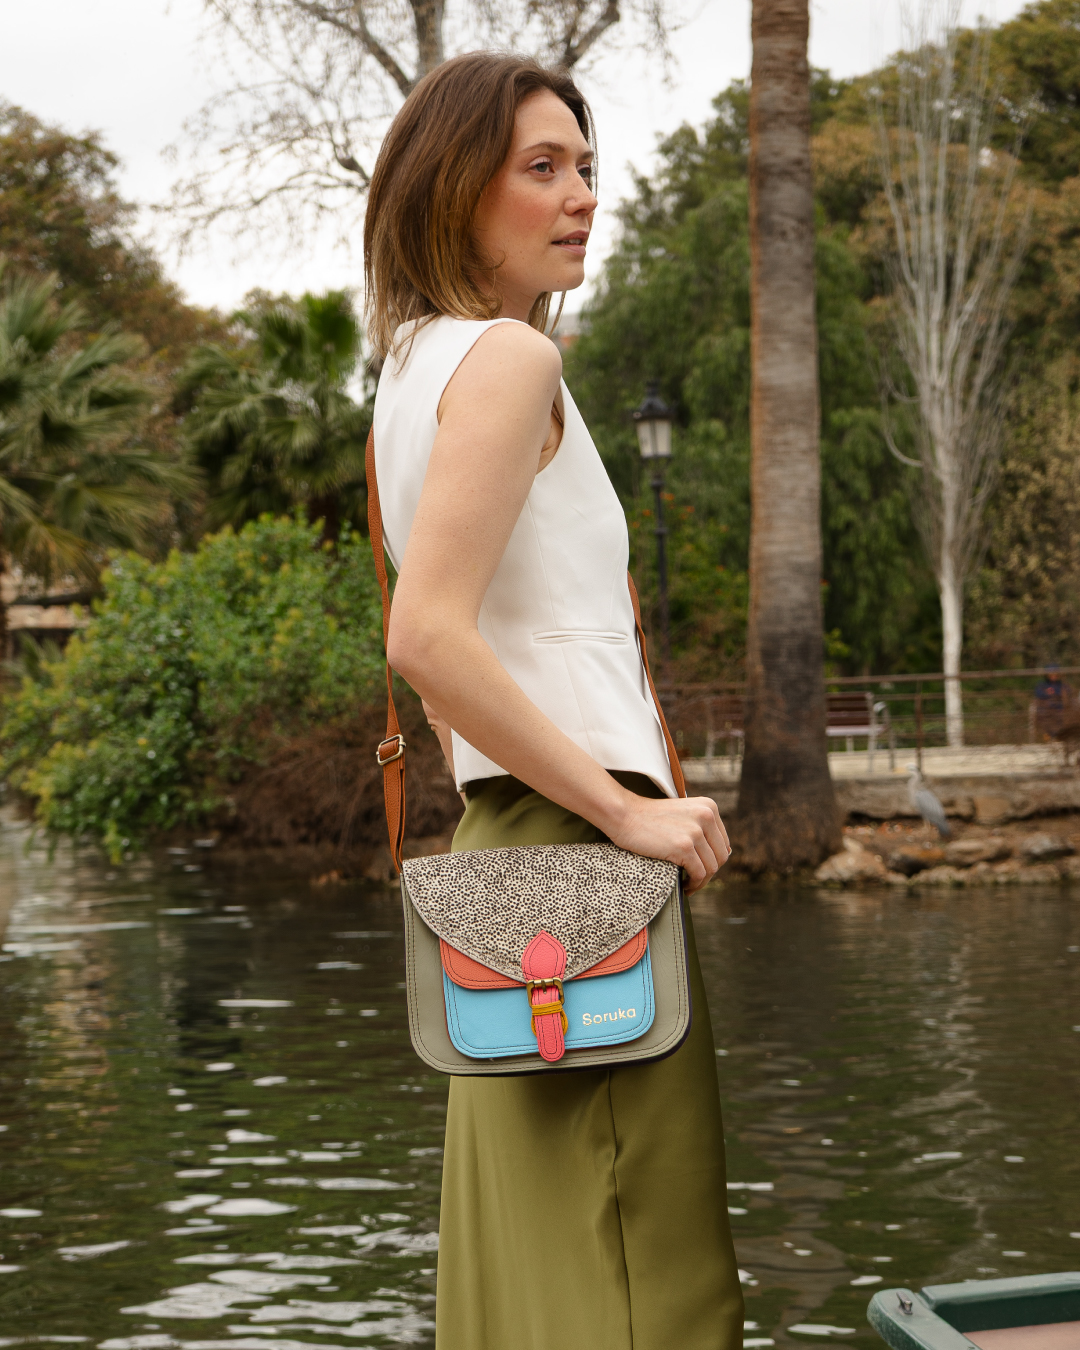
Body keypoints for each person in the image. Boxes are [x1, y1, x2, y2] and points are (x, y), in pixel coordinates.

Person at [364, 52, 743, 1350]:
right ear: (455, 187)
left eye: (586, 165)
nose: (583, 194)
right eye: (543, 167)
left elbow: (444, 644)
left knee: (542, 1262)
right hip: (581, 844)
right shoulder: (511, 360)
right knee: (643, 1263)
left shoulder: (412, 370)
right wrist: (625, 813)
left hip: (507, 851)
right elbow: (428, 635)